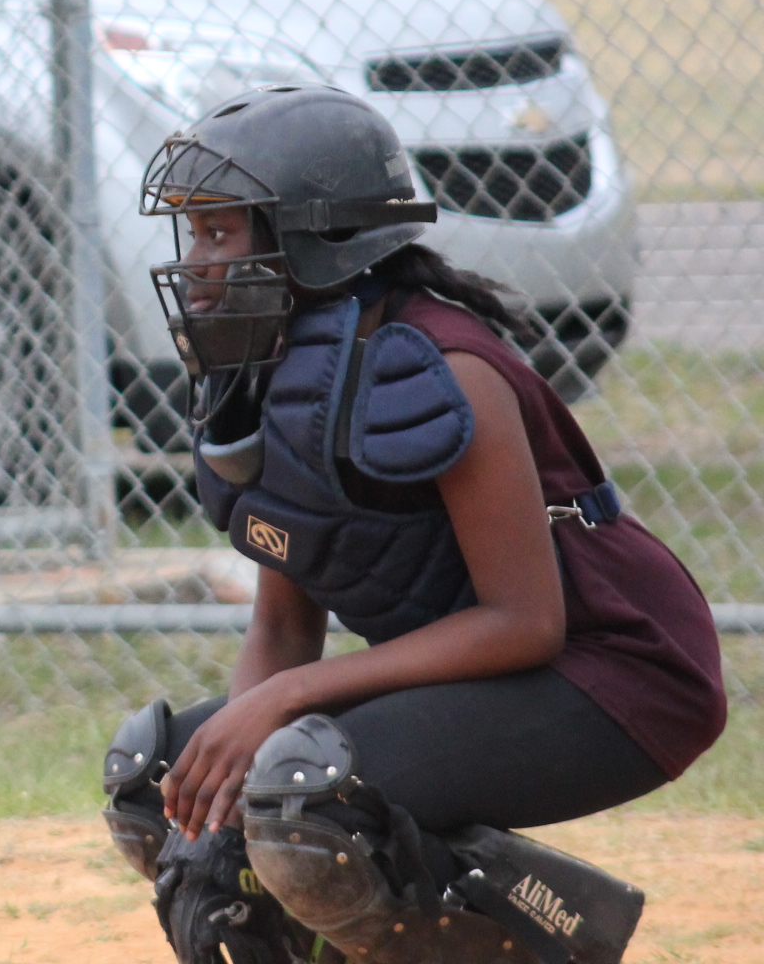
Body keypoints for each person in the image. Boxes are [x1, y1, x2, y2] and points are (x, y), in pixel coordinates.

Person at [100, 84, 725, 964]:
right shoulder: (278, 364)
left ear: (315, 235)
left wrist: (283, 704)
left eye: (219, 232)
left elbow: (525, 622)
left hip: (617, 676)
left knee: (299, 794)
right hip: (495, 673)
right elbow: (284, 626)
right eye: (192, 233)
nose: (195, 261)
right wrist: (226, 787)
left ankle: (541, 945)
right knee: (161, 782)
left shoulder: (437, 370)